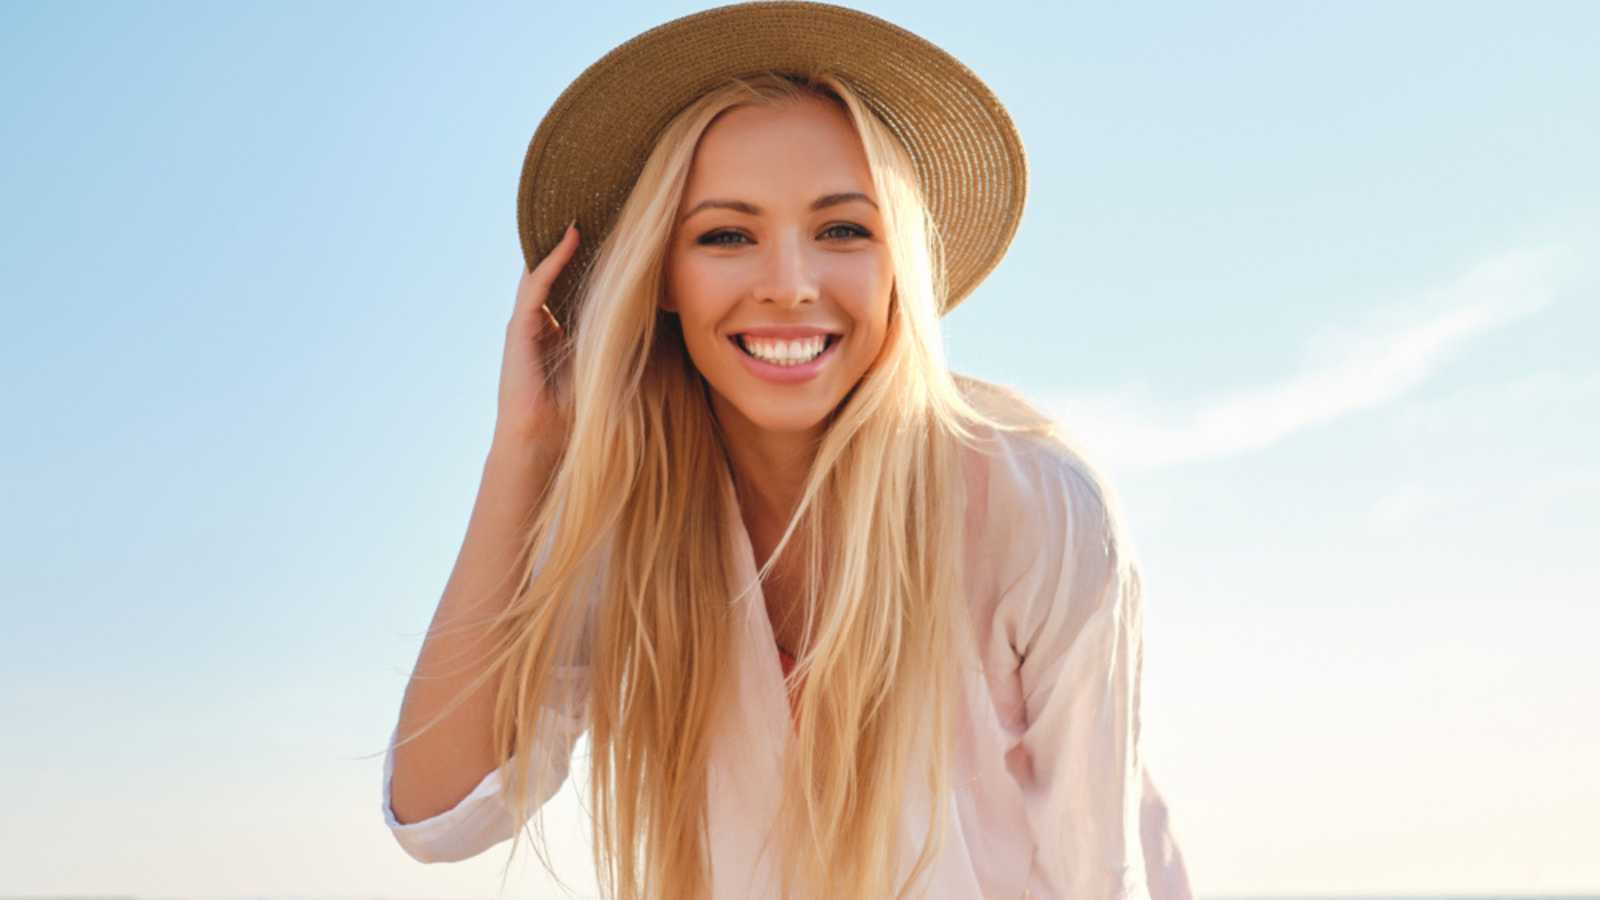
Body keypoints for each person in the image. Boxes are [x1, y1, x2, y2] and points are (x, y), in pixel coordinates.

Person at [381, 4, 1194, 899]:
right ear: (661, 277)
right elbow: (440, 813)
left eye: (844, 229)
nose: (790, 286)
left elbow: (1101, 864)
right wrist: (524, 449)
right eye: (726, 235)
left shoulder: (1033, 504)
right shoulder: (629, 520)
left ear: (902, 265)